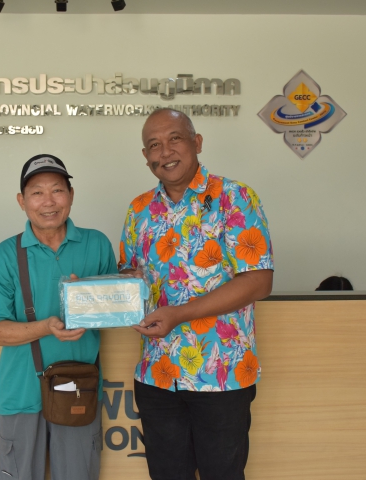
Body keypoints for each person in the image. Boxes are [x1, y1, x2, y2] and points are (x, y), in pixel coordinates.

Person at [118, 108, 274, 480]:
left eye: (175, 139)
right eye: (154, 145)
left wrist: (179, 313)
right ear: (145, 156)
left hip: (221, 375)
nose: (165, 152)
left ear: (197, 143)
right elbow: (129, 275)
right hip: (157, 375)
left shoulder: (235, 198)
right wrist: (117, 287)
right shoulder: (139, 210)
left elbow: (259, 281)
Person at [0, 154, 117, 480]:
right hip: (21, 392)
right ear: (22, 201)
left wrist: (92, 300)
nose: (48, 201)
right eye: (37, 193)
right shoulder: (5, 255)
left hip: (79, 389)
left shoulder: (97, 244)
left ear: (71, 195)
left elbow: (116, 311)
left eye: (57, 190)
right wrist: (46, 327)